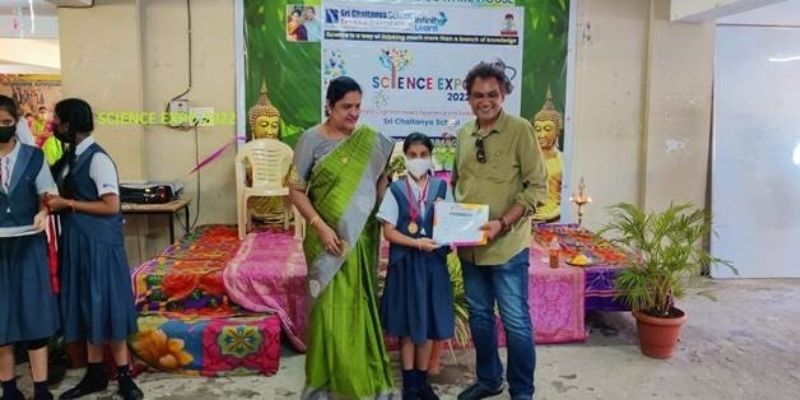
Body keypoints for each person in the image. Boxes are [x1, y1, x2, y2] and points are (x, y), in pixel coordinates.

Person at [289, 76, 395, 399]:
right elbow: (296, 190)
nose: (354, 113)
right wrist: (320, 226)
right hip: (325, 240)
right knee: (326, 309)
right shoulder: (310, 139)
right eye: (346, 106)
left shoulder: (369, 141)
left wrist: (388, 200)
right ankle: (325, 382)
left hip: (358, 236)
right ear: (329, 106)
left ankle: (359, 376)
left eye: (358, 106)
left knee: (357, 305)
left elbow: (379, 183)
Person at [451, 63, 548, 400]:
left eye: (492, 94)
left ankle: (522, 390)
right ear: (468, 98)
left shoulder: (520, 130)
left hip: (507, 246)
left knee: (515, 320)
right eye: (478, 95)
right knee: (479, 317)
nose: (485, 101)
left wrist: (503, 223)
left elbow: (537, 187)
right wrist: (449, 221)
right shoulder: (464, 134)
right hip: (470, 247)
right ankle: (489, 379)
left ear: (503, 94)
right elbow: (458, 183)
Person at [45, 99, 143, 400]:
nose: (53, 125)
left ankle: (124, 375)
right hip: (77, 242)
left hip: (99, 244)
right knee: (87, 305)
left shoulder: (98, 159)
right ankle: (95, 373)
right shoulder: (71, 157)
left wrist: (68, 204)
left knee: (108, 304)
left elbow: (111, 206)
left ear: (69, 124)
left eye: (57, 120)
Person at [377, 133, 454, 400]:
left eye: (423, 155)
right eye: (412, 155)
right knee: (409, 326)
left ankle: (423, 383)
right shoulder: (396, 190)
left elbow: (453, 226)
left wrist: (447, 218)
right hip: (406, 265)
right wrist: (416, 243)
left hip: (433, 266)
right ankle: (410, 385)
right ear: (405, 157)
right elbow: (388, 232)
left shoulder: (442, 189)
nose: (418, 160)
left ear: (431, 157)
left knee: (429, 324)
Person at [0, 94, 60, 400]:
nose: (2, 127)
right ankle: (8, 387)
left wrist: (43, 211)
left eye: (6, 122)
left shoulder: (34, 157)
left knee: (35, 314)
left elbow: (48, 195)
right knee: (1, 319)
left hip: (28, 244)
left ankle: (40, 388)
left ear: (16, 123)